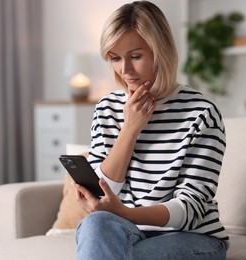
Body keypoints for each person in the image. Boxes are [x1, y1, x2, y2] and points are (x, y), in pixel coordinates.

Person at [73, 1, 228, 259]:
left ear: (161, 52)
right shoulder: (108, 107)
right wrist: (130, 129)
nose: (125, 70)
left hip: (192, 237)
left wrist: (124, 213)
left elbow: (190, 208)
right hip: (128, 230)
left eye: (135, 56)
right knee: (95, 224)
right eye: (115, 58)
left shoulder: (201, 112)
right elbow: (104, 192)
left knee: (129, 255)